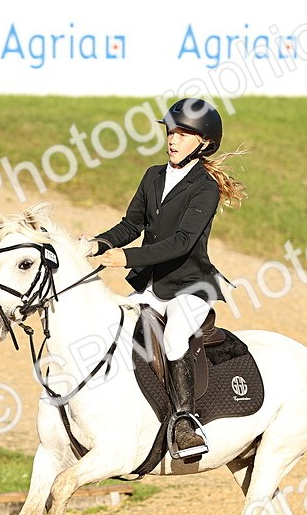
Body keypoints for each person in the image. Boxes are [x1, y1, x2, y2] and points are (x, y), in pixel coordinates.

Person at [93, 97, 246, 460]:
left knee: (176, 337)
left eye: (182, 134)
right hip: (150, 286)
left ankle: (185, 422)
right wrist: (96, 244)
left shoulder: (204, 187)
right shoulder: (153, 175)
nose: (172, 140)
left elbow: (181, 244)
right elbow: (132, 225)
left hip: (190, 287)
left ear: (204, 142)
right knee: (112, 326)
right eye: (170, 132)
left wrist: (125, 258)